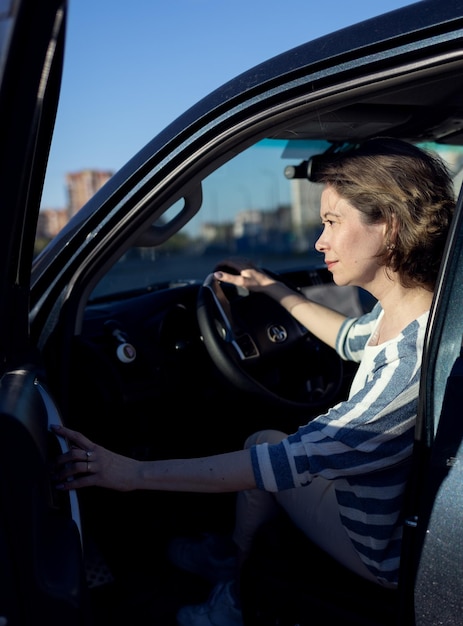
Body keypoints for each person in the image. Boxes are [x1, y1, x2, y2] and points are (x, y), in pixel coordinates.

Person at [52, 137, 455, 626]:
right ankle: (229, 557)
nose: (318, 242)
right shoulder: (423, 314)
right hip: (388, 508)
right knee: (270, 446)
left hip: (377, 547)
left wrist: (130, 474)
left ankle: (234, 596)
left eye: (331, 222)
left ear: (388, 227)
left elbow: (277, 463)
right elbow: (349, 337)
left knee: (264, 444)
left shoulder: (403, 372)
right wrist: (271, 289)